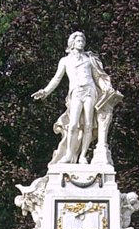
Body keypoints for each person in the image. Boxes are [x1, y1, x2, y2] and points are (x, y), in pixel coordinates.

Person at [32, 31, 119, 164]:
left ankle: (83, 156)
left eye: (83, 41)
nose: (82, 43)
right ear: (72, 43)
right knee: (73, 125)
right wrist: (45, 92)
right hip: (76, 92)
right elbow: (56, 79)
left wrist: (105, 87)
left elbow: (97, 77)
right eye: (79, 41)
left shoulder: (89, 59)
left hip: (90, 91)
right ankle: (69, 155)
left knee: (88, 124)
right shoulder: (65, 61)